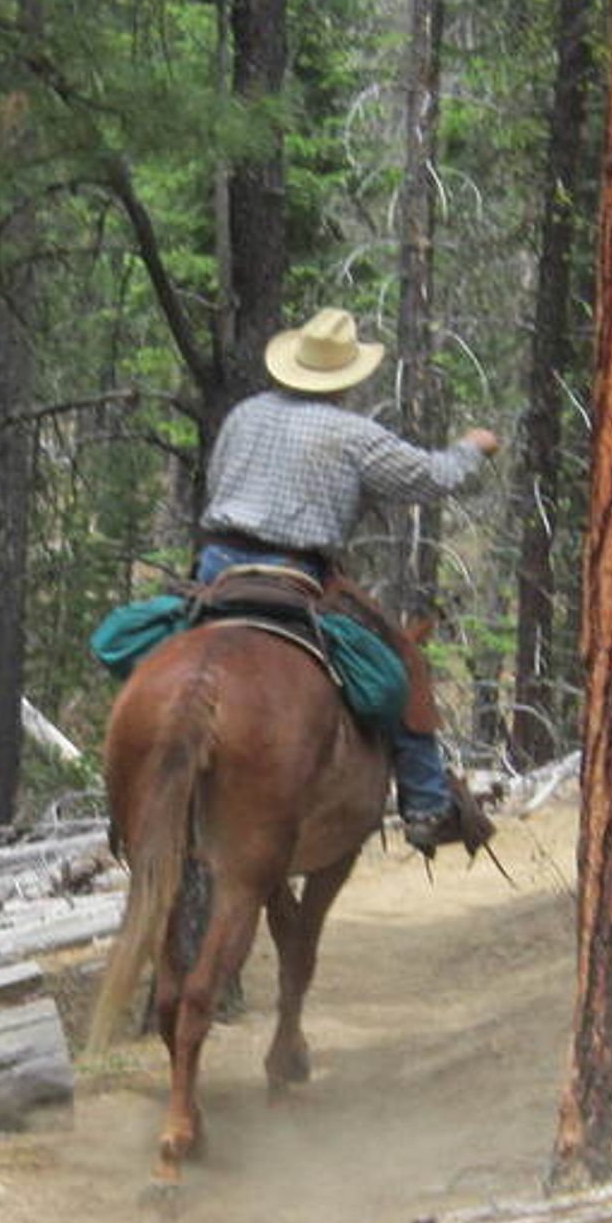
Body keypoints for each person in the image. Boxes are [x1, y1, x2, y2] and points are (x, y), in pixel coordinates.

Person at [196, 307, 502, 854]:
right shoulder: (353, 435)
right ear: (346, 378)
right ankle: (427, 802)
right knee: (403, 662)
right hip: (296, 576)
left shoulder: (245, 414)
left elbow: (219, 482)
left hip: (218, 567)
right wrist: (472, 448)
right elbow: (432, 478)